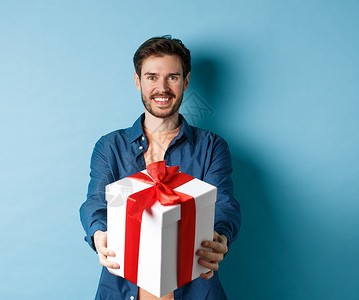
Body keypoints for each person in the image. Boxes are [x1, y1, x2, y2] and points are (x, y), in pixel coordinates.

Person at [80, 35, 241, 300]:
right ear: (138, 81)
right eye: (152, 77)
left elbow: (223, 203)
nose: (162, 88)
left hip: (197, 289)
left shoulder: (212, 146)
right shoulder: (110, 146)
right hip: (122, 290)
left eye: (172, 77)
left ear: (186, 82)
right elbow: (96, 202)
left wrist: (220, 237)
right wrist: (98, 233)